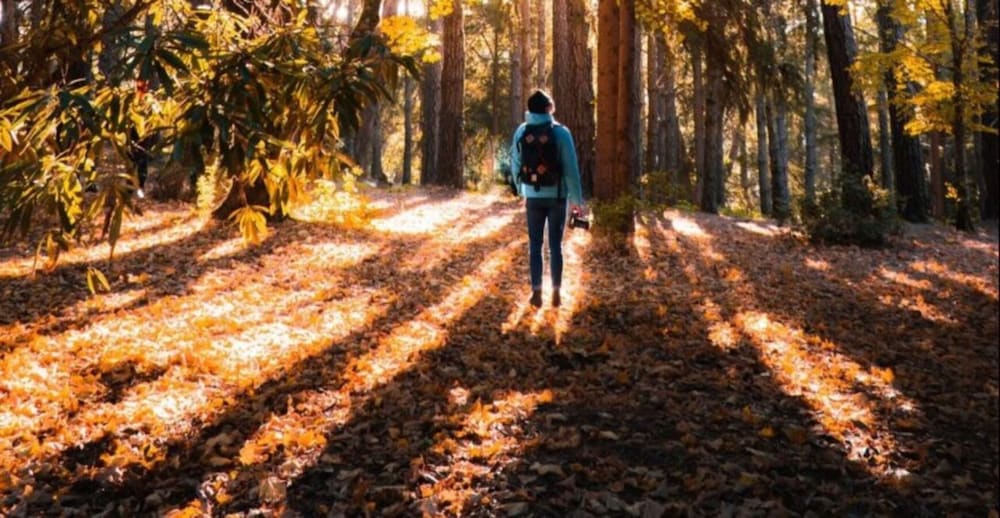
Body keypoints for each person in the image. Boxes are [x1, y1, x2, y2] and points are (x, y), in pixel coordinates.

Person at [510, 90, 585, 308]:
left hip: (532, 196)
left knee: (534, 245)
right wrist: (577, 200)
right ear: (548, 108)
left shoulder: (522, 131)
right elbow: (571, 169)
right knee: (555, 246)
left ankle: (536, 292)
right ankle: (556, 292)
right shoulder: (561, 133)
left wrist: (522, 190)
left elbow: (515, 162)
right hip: (557, 196)